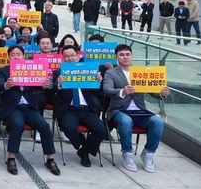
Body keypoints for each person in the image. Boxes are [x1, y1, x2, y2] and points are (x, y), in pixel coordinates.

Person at [102, 44, 170, 172]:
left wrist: (162, 94)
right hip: (118, 110)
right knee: (125, 121)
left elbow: (152, 91)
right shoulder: (111, 72)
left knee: (158, 122)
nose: (125, 57)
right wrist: (122, 91)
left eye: (128, 54)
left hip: (139, 110)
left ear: (132, 56)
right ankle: (127, 153)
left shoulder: (140, 72)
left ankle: (148, 153)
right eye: (121, 55)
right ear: (116, 57)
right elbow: (107, 90)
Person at [0, 45, 59, 176]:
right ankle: (11, 158)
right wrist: (6, 85)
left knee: (44, 126)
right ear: (8, 57)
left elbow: (40, 84)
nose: (16, 57)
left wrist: (45, 84)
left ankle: (50, 159)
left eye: (18, 54)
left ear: (23, 56)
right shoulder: (3, 70)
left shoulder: (31, 69)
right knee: (18, 125)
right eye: (12, 55)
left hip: (29, 107)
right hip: (13, 108)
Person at [53, 45, 106, 168]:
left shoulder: (89, 71)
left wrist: (99, 81)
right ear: (63, 58)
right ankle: (83, 147)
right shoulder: (58, 72)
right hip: (69, 109)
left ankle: (84, 151)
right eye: (66, 56)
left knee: (101, 130)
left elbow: (100, 92)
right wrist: (59, 84)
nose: (70, 58)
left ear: (78, 56)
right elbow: (53, 88)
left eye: (72, 55)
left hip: (87, 109)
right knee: (69, 128)